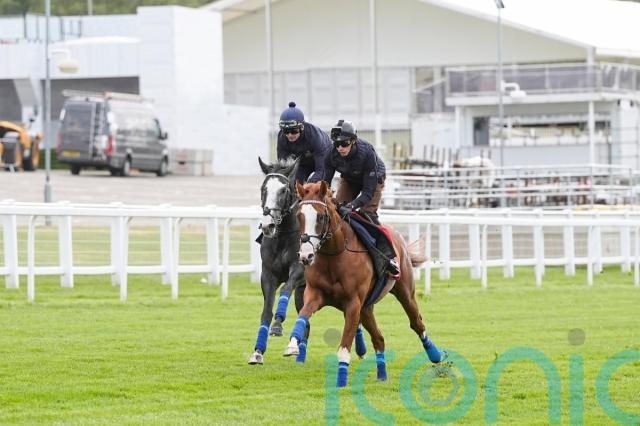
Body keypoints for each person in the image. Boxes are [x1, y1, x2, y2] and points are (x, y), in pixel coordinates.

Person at [320, 119, 400, 277]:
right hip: (350, 179)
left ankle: (386, 257)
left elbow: (368, 193)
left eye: (344, 143)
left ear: (353, 141)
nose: (340, 148)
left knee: (367, 214)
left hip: (373, 180)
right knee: (336, 211)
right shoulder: (330, 153)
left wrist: (352, 206)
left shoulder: (367, 152)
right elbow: (325, 184)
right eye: (337, 144)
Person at [277, 101, 331, 184]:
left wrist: (309, 185)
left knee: (314, 187)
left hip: (324, 157)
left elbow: (321, 170)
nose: (290, 135)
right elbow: (283, 170)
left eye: (294, 131)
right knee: (295, 183)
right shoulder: (282, 138)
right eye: (286, 131)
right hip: (304, 162)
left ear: (302, 127)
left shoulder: (314, 137)